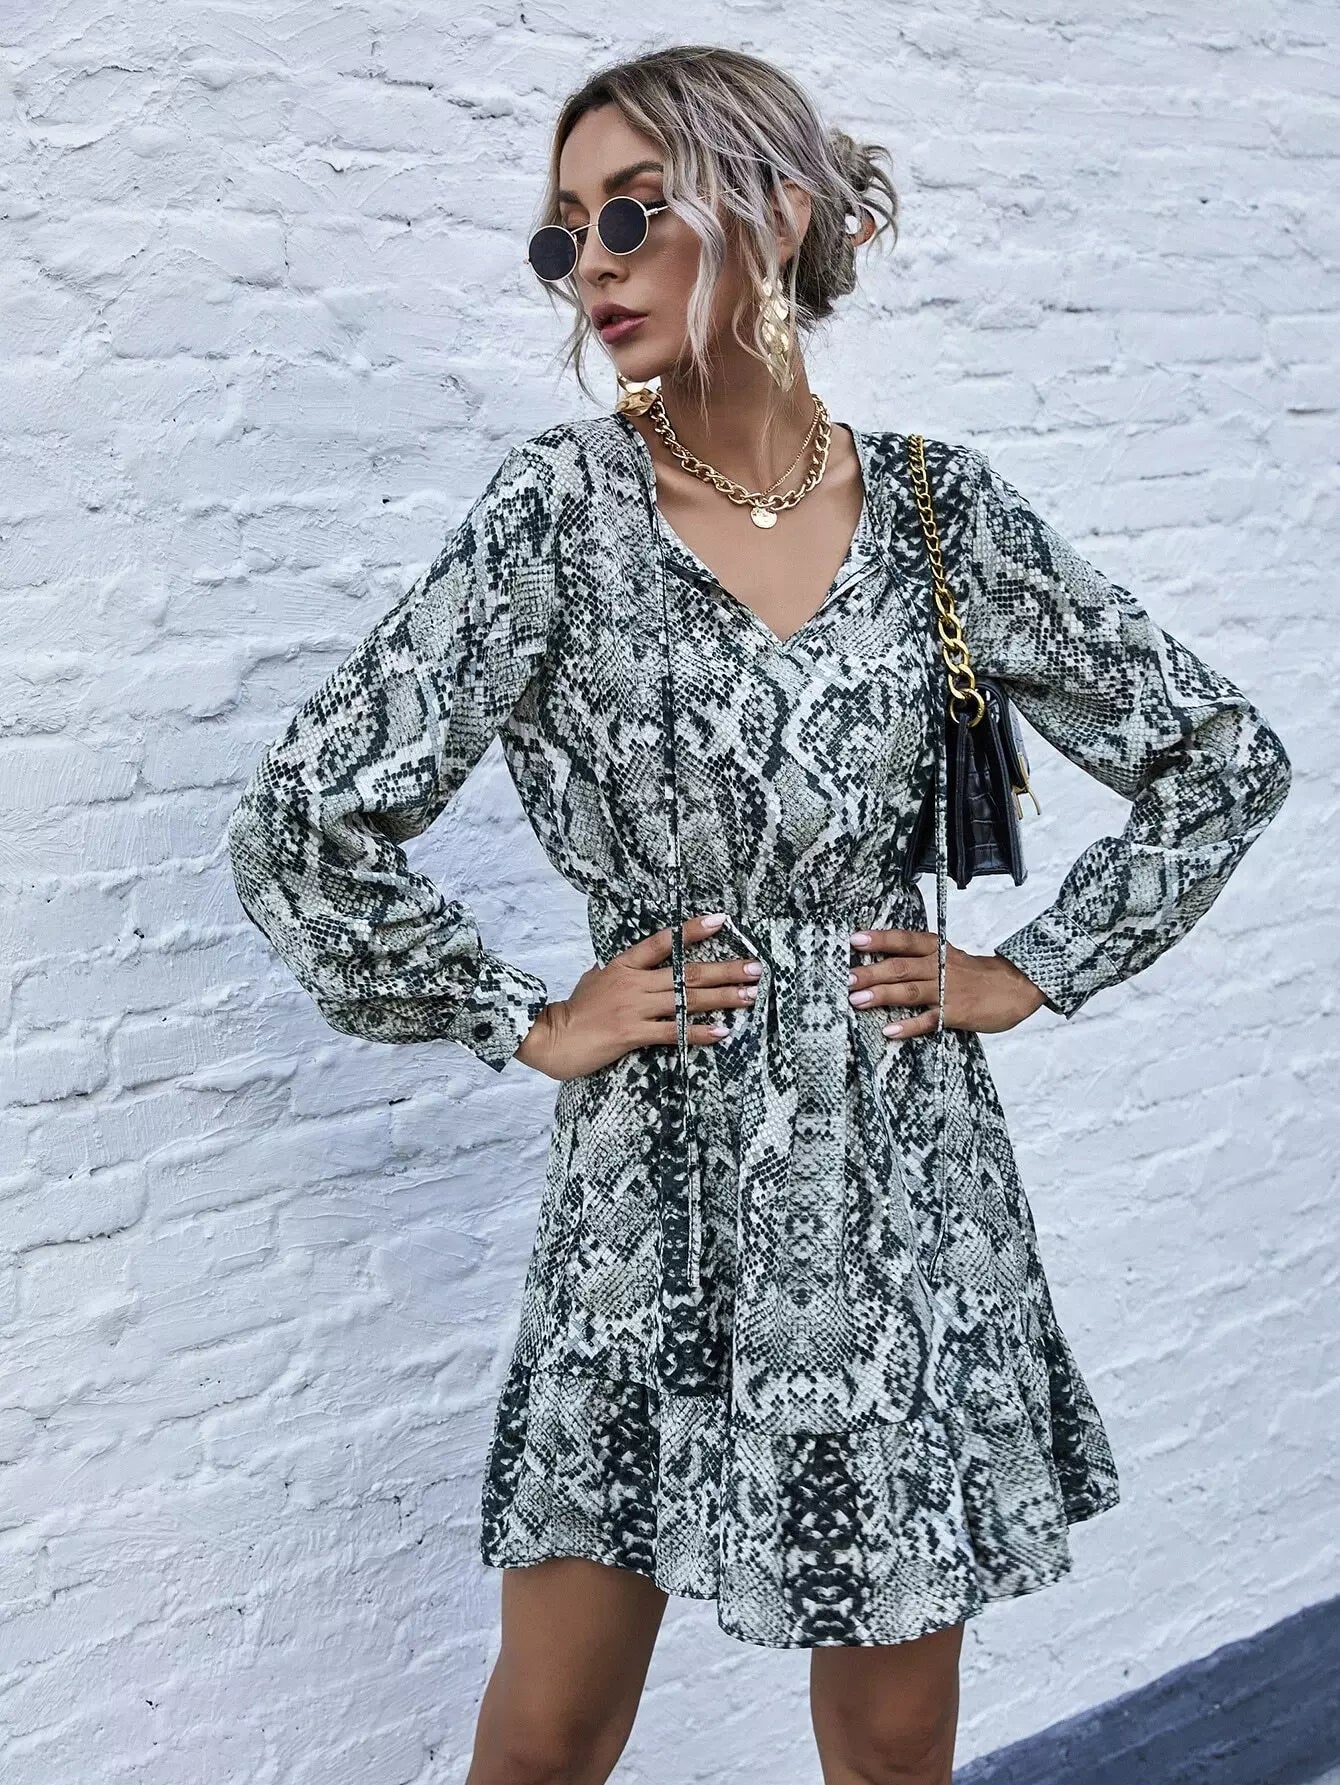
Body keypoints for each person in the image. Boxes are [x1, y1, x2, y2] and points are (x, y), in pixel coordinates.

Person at [225, 43, 1293, 1785]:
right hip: (647, 1189)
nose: (591, 268)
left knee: (892, 1740)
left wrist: (1033, 969)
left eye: (632, 213)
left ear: (778, 214)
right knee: (552, 1731)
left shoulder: (946, 517)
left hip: (898, 1187)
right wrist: (522, 1013)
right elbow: (304, 818)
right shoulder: (557, 516)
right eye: (562, 234)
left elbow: (1220, 756)